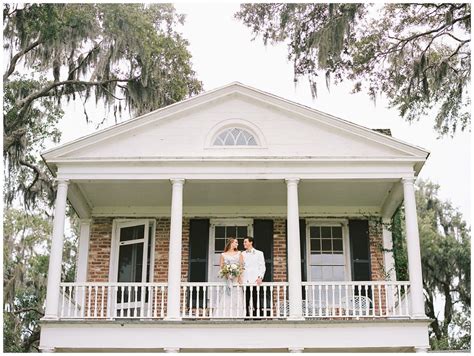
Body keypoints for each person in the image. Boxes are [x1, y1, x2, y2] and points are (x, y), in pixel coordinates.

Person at [216, 238, 245, 318]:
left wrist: (239, 276)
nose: (237, 244)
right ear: (231, 243)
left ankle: (238, 315)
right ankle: (225, 315)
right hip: (227, 279)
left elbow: (241, 266)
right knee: (227, 296)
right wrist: (227, 274)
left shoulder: (239, 253)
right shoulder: (223, 254)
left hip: (236, 279)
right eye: (236, 242)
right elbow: (221, 266)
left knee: (237, 295)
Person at [242, 237, 266, 318]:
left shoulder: (259, 253)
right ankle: (246, 315)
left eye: (245, 242)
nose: (244, 244)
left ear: (251, 242)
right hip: (245, 279)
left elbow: (262, 266)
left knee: (256, 297)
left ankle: (257, 314)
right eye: (244, 242)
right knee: (246, 298)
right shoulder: (242, 254)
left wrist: (260, 277)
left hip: (255, 279)